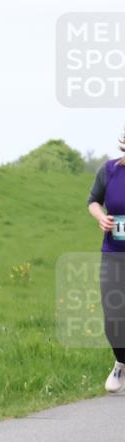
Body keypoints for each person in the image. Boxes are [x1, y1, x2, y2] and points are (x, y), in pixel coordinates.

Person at [87, 130, 125, 393]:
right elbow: (93, 201)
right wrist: (101, 217)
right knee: (113, 316)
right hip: (113, 253)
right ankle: (121, 362)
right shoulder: (109, 171)